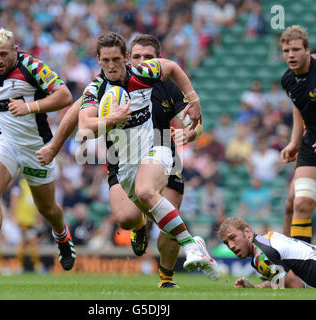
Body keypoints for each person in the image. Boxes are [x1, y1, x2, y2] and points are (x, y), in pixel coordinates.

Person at [78, 31, 220, 280]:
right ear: (99, 60)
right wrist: (112, 119)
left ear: (125, 57)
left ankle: (174, 268)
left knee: (148, 192)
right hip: (124, 163)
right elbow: (83, 127)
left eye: (116, 59)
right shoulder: (96, 89)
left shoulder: (146, 74)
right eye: (106, 60)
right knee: (127, 217)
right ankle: (189, 242)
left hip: (159, 147)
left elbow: (174, 68)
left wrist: (194, 100)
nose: (112, 65)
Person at [0, 28, 75, 279]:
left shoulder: (33, 67)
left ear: (15, 50)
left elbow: (65, 96)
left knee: (47, 208)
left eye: (4, 54)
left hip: (38, 147)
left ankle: (62, 234)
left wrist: (30, 107)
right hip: (4, 140)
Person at [109, 34, 202, 288]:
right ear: (128, 58)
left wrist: (190, 132)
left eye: (148, 57)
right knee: (126, 218)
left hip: (163, 151)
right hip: (125, 156)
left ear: (158, 59)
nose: (142, 61)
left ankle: (166, 279)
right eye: (136, 56)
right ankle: (139, 223)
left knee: (170, 220)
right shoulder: (113, 85)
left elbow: (193, 124)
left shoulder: (167, 87)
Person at [280, 25, 316, 243]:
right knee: (299, 204)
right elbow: (299, 108)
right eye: (286, 51)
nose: (291, 55)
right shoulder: (288, 80)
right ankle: (300, 271)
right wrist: (294, 142)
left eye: (295, 50)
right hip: (313, 146)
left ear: (307, 49)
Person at [218, 217, 316, 289]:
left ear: (247, 232)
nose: (231, 246)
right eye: (226, 243)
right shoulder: (266, 238)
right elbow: (285, 282)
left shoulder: (261, 256)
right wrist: (257, 287)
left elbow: (297, 289)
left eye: (233, 238)